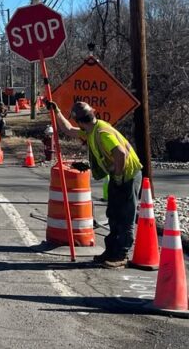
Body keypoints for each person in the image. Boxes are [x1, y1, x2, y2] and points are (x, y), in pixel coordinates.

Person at [47, 100, 143, 268]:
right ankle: (111, 251)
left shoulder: (102, 133)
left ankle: (122, 255)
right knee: (113, 214)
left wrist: (119, 177)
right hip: (118, 176)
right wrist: (57, 112)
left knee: (125, 217)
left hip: (128, 176)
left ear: (80, 120)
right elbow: (68, 130)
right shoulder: (91, 130)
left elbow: (120, 153)